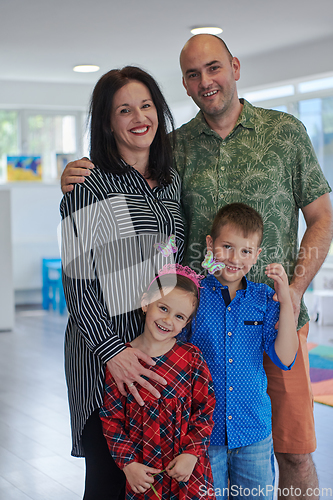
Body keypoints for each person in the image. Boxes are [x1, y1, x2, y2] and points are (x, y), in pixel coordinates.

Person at [60, 34, 333, 499]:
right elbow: (80, 275)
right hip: (185, 329)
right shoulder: (174, 149)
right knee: (169, 461)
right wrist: (73, 175)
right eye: (192, 73)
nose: (205, 81)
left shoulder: (282, 133)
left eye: (213, 67)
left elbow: (323, 218)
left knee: (293, 452)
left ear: (235, 67)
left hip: (269, 320)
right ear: (184, 86)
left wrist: (293, 294)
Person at [60, 66, 186, 500]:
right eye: (124, 109)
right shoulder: (88, 184)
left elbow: (178, 265)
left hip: (155, 349)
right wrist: (113, 353)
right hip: (103, 357)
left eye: (146, 105)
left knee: (152, 484)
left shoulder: (170, 181)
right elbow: (78, 284)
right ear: (108, 122)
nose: (139, 117)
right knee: (109, 483)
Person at [188, 203, 298, 499]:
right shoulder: (193, 294)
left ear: (257, 255)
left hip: (254, 433)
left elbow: (285, 358)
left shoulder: (264, 299)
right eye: (227, 247)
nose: (236, 259)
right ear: (210, 245)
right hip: (203, 434)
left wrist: (286, 301)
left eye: (246, 251)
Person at [99, 264, 216, 500]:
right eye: (163, 308)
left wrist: (192, 454)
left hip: (186, 472)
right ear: (145, 303)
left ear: (186, 323)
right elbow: (111, 419)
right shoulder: (123, 362)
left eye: (179, 316)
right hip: (143, 475)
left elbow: (205, 411)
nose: (168, 320)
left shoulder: (192, 358)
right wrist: (128, 464)